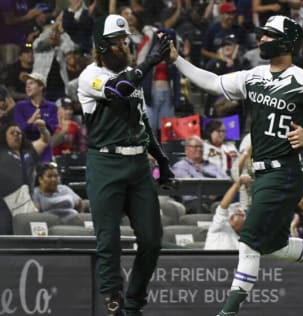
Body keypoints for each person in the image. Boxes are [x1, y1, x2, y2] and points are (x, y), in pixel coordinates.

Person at [167, 15, 303, 315]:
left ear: (287, 42)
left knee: (248, 241)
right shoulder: (254, 75)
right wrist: (178, 59)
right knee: (275, 246)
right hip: (263, 173)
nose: (261, 40)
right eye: (262, 35)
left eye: (269, 35)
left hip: (284, 171)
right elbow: (213, 82)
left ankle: (228, 311)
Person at [77, 14, 175, 316]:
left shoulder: (133, 75)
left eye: (125, 41)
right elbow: (117, 89)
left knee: (152, 238)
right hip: (105, 162)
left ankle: (134, 301)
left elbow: (144, 122)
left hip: (137, 164)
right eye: (118, 42)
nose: (124, 46)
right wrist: (151, 63)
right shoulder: (90, 75)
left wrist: (162, 162)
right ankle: (113, 299)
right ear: (103, 46)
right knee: (109, 239)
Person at [0, 121, 50, 235]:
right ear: (4, 136)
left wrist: (42, 128)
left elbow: (45, 140)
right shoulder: (1, 152)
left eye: (19, 133)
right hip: (4, 203)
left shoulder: (29, 151)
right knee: (5, 235)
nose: (16, 135)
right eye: (12, 133)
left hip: (26, 201)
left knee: (29, 234)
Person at [172, 135, 230, 213]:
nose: (199, 149)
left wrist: (215, 193)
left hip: (217, 200)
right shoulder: (180, 167)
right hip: (195, 201)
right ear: (186, 149)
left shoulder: (213, 166)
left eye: (201, 147)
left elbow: (227, 182)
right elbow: (191, 186)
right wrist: (210, 192)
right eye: (195, 147)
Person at [14, 72, 58, 162]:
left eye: (31, 83)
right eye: (26, 84)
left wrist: (43, 125)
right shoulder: (20, 106)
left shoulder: (52, 107)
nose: (27, 87)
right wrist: (31, 120)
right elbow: (18, 129)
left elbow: (52, 130)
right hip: (25, 150)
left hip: (45, 152)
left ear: (41, 87)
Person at [204, 174, 251, 250]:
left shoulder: (246, 241)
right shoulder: (220, 226)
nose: (238, 211)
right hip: (211, 261)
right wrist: (238, 183)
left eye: (242, 215)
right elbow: (223, 206)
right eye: (235, 213)